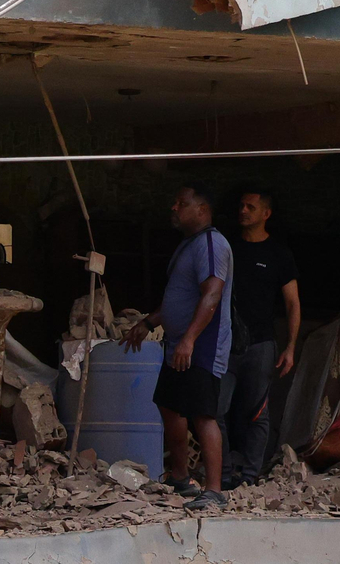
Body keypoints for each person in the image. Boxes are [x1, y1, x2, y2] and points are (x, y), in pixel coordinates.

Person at [125, 185, 233, 510]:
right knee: (169, 404)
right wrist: (148, 322)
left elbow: (211, 294)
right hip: (178, 343)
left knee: (203, 414)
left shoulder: (213, 244)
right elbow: (179, 296)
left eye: (182, 204)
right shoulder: (189, 245)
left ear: (202, 210)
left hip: (201, 344)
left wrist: (189, 338)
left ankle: (214, 490)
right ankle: (180, 477)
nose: (174, 208)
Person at [219, 189, 301, 487]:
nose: (243, 210)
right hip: (224, 342)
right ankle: (223, 474)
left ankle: (250, 476)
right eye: (240, 205)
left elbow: (293, 303)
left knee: (256, 412)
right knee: (215, 411)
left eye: (250, 207)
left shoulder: (279, 254)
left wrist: (290, 347)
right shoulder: (226, 247)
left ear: (266, 213)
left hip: (261, 343)